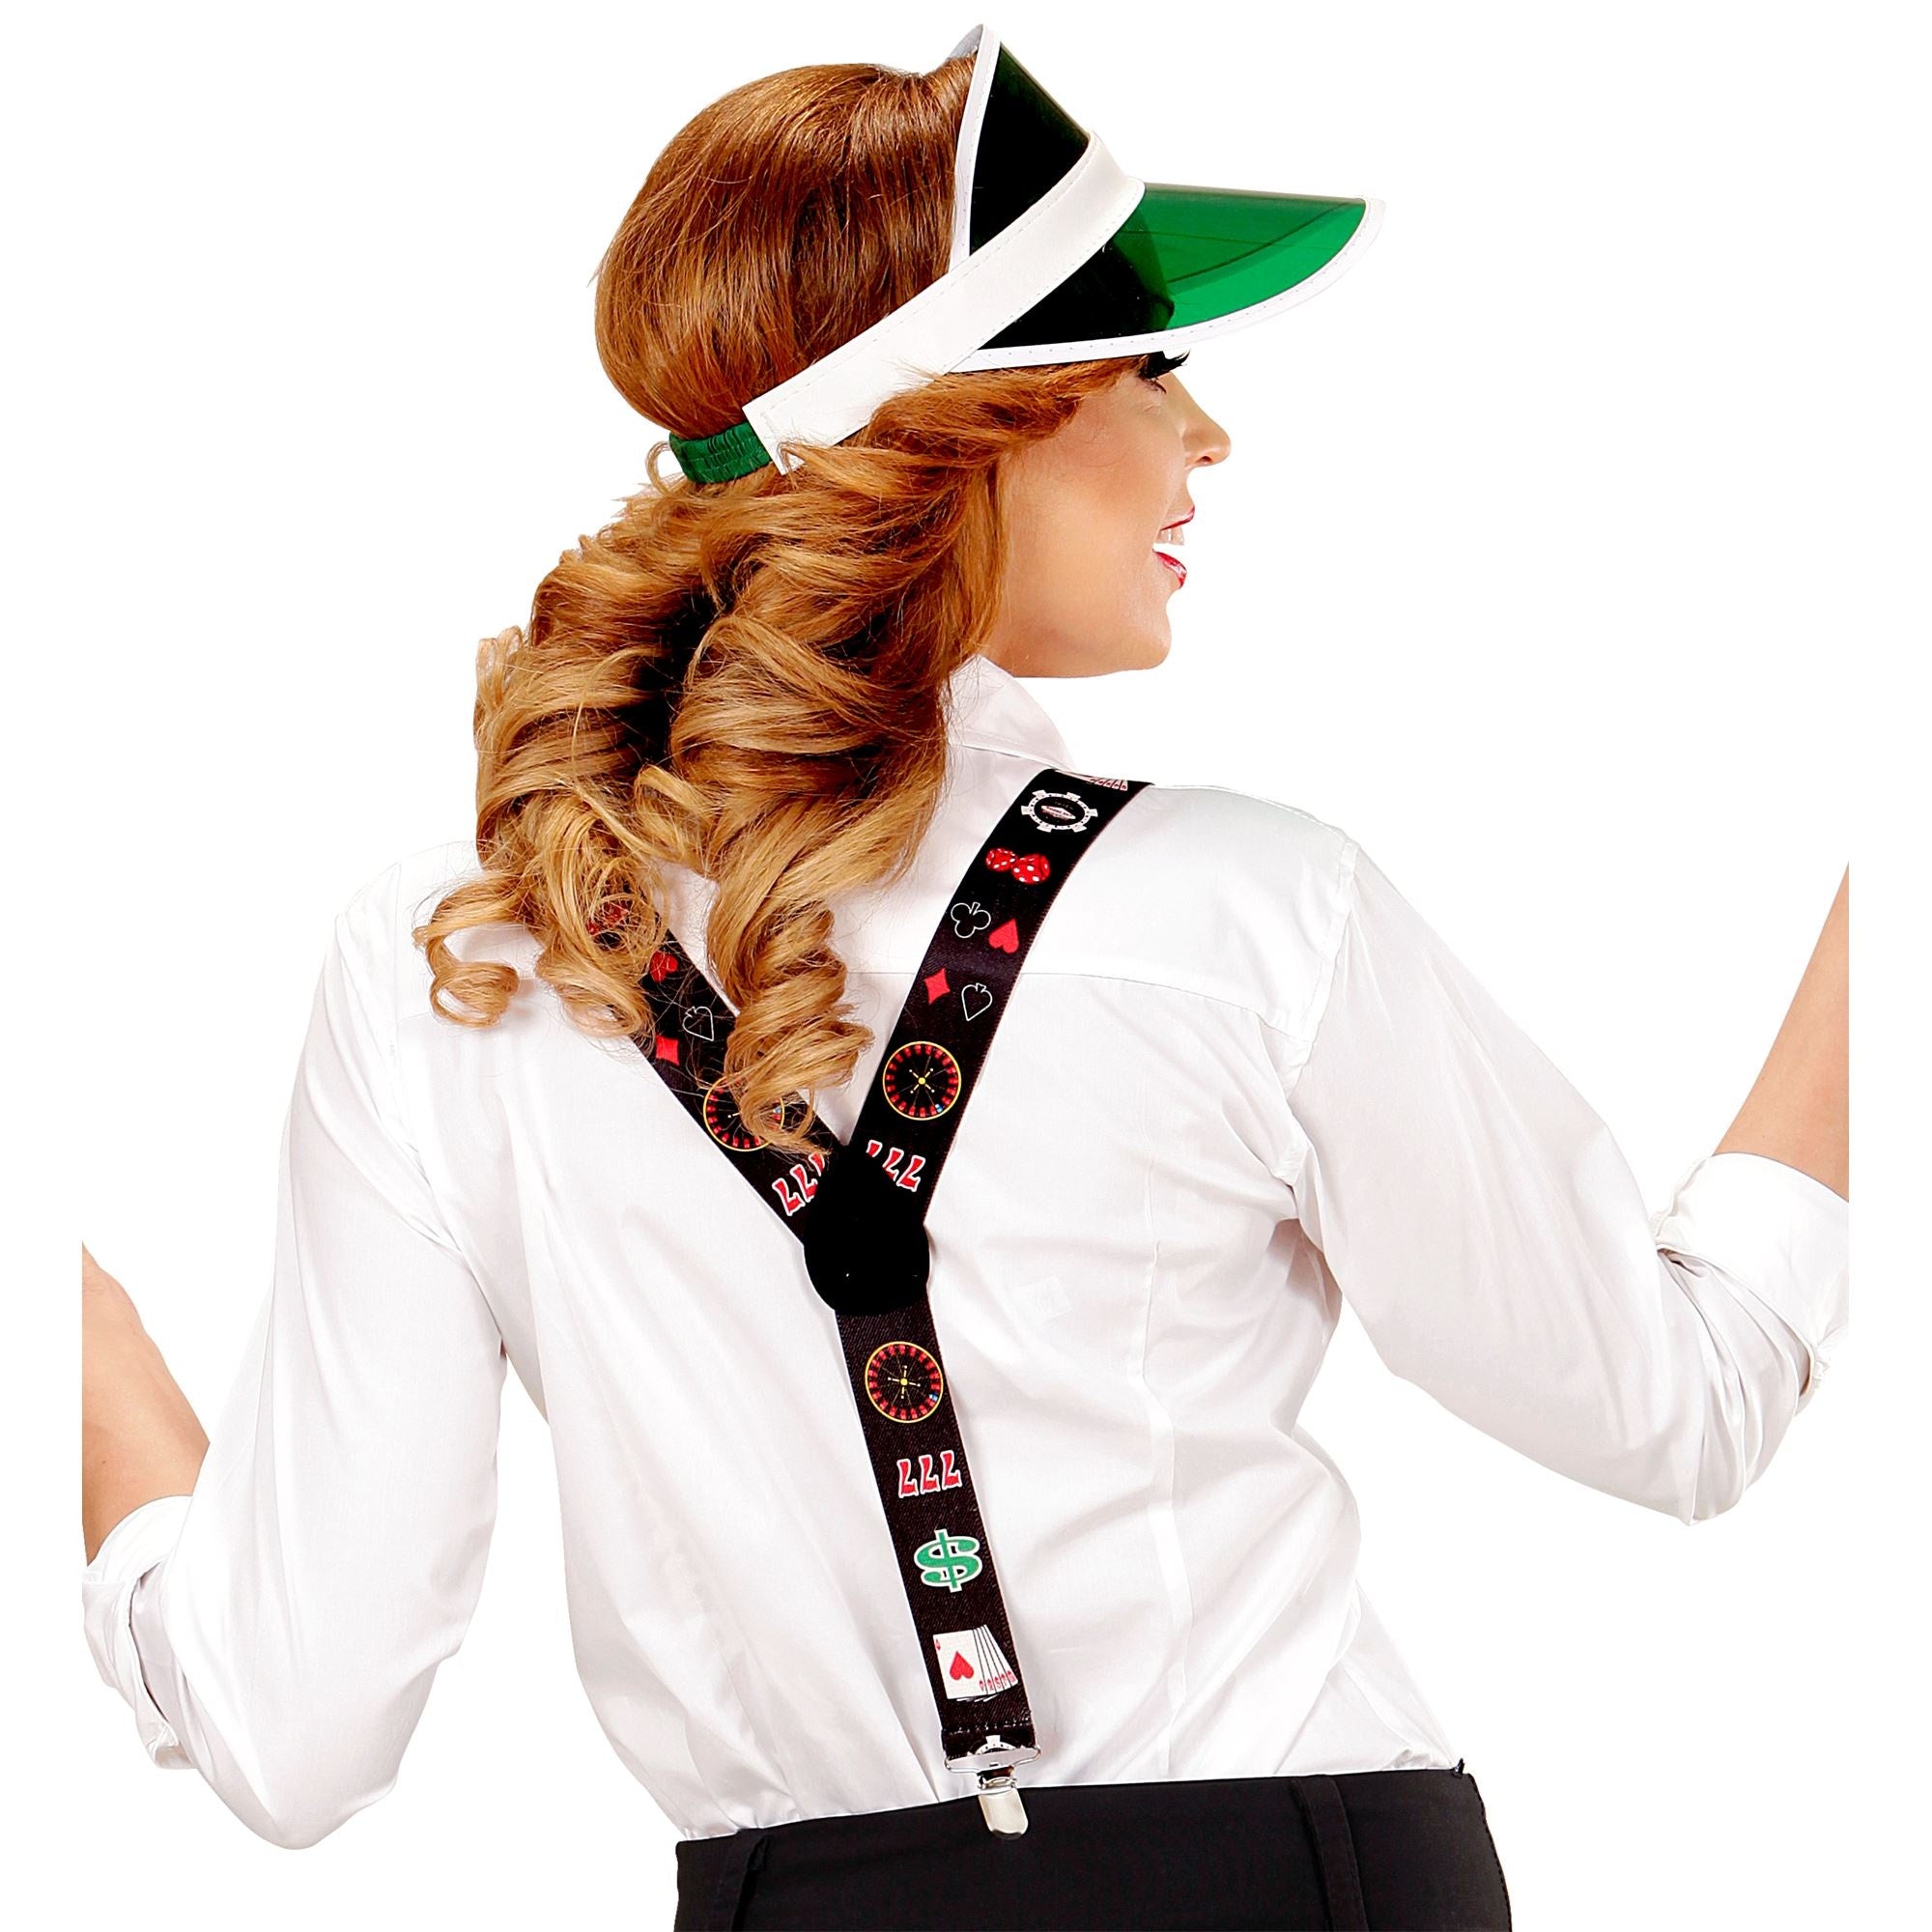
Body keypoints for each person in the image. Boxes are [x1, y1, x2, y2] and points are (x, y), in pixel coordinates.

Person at [80, 22, 1849, 1931]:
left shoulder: (459, 962)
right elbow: (1682, 1406)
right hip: (1302, 1879)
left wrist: (72, 1336)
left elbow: (293, 1727)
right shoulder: (1245, 913)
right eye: (1150, 365)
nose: (1210, 435)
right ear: (959, 427)